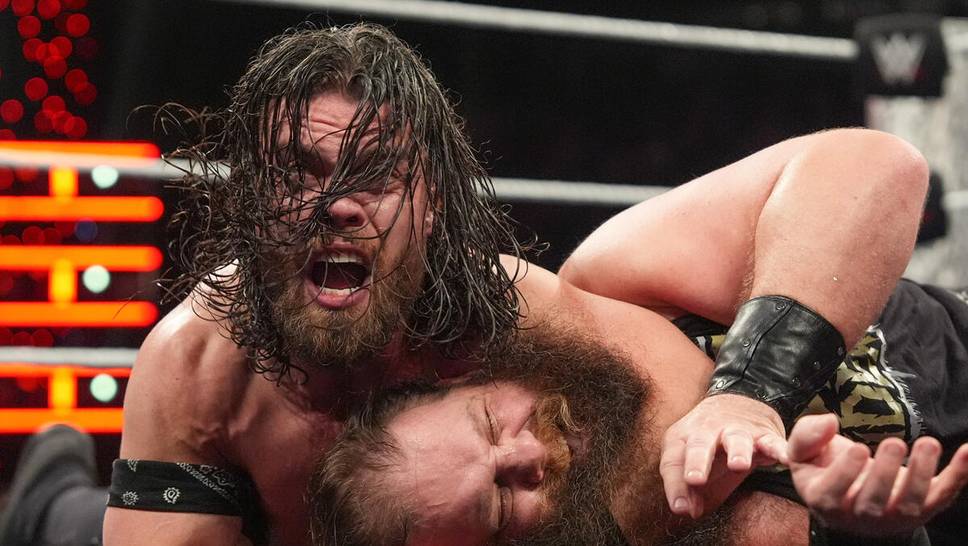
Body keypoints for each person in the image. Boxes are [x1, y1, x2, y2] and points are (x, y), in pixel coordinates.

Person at [0, 22, 928, 546]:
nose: (334, 205)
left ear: (435, 207)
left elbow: (733, 503)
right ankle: (52, 504)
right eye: (295, 173)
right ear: (245, 198)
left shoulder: (539, 322)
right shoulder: (196, 368)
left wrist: (753, 393)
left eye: (374, 176)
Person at [307, 280, 968, 545]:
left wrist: (750, 391)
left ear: (471, 377)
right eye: (500, 502)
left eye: (489, 423)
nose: (530, 455)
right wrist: (873, 533)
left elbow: (878, 167)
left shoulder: (609, 291)